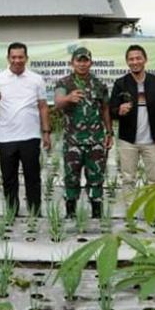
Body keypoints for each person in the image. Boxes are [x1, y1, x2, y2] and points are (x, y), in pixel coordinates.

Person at [0, 42, 51, 217]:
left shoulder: (36, 79)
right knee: (9, 178)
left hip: (30, 136)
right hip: (6, 136)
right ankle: (12, 211)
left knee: (33, 177)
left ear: (26, 58)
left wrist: (46, 132)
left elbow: (43, 106)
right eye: (13, 57)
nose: (17, 60)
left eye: (20, 57)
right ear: (8, 58)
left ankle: (35, 212)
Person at [54, 47, 113, 219]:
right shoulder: (64, 83)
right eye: (78, 60)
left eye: (85, 60)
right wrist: (67, 98)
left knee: (96, 178)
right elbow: (57, 102)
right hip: (73, 141)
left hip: (96, 141)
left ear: (91, 63)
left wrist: (109, 133)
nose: (82, 64)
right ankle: (71, 213)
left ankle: (96, 213)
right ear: (72, 63)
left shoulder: (99, 85)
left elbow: (105, 110)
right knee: (71, 178)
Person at [109, 44, 155, 193]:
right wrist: (119, 110)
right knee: (128, 179)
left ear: (145, 60)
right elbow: (111, 111)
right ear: (127, 62)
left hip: (152, 141)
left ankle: (153, 212)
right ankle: (130, 212)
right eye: (131, 59)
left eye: (138, 58)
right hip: (128, 141)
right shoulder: (120, 83)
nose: (135, 62)